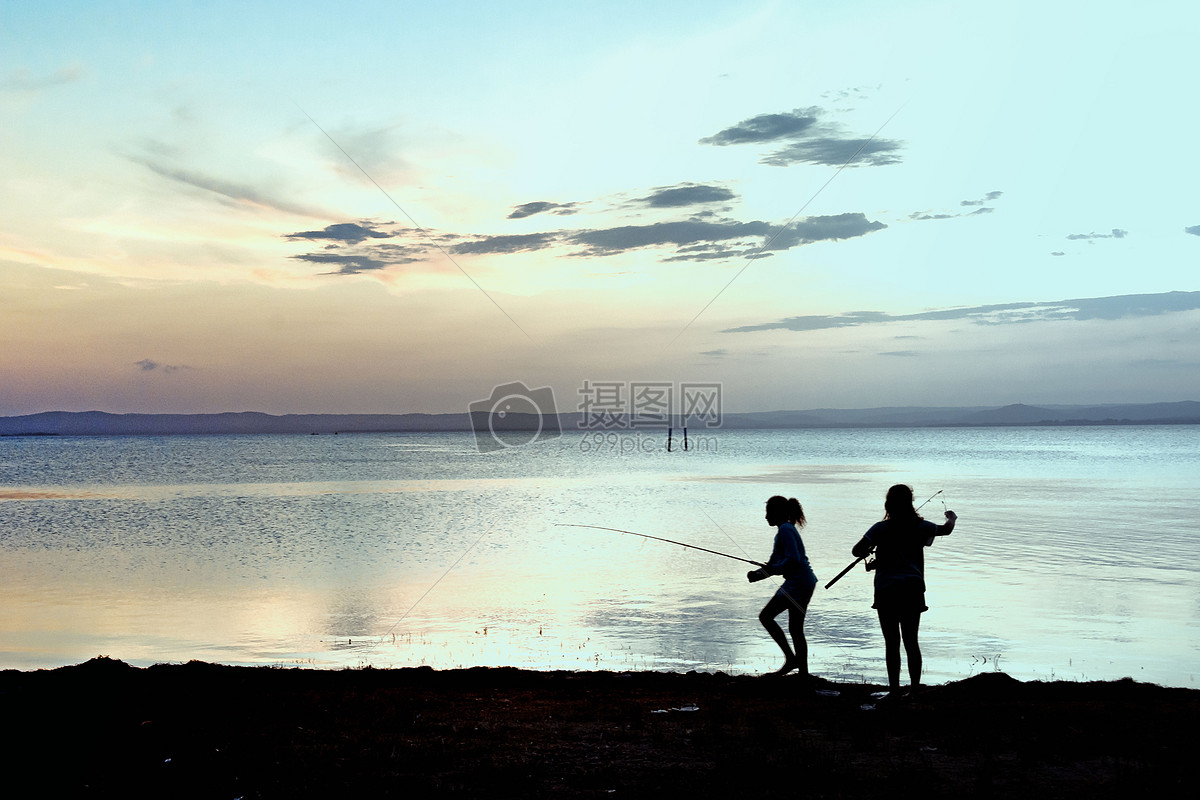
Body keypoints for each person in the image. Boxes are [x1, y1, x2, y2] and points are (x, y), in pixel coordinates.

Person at [852, 484, 957, 698]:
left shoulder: (879, 529)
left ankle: (893, 691)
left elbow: (856, 551)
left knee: (892, 643)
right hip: (912, 589)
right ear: (910, 502)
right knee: (911, 641)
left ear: (888, 503)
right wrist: (952, 517)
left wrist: (872, 549)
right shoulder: (922, 527)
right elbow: (945, 530)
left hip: (887, 590)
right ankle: (914, 689)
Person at [747, 495, 818, 677]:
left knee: (766, 616)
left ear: (777, 513)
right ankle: (802, 672)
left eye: (768, 513)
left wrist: (773, 569)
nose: (766, 517)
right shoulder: (784, 530)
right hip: (803, 581)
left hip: (798, 583)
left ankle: (792, 660)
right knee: (795, 628)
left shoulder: (786, 530)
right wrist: (757, 575)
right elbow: (774, 564)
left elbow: (792, 561)